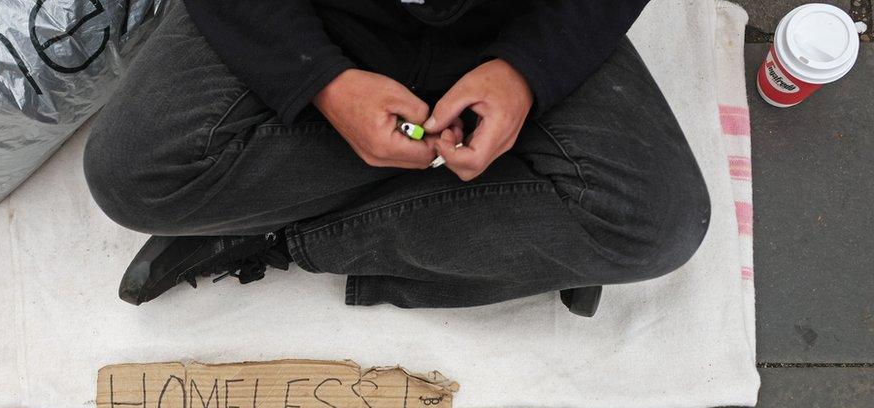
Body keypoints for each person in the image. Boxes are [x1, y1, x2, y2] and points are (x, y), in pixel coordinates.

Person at [83, 0, 710, 311]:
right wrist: (322, 83)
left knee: (658, 223)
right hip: (321, 16)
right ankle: (522, 215)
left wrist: (529, 72)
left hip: (511, 22)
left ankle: (277, 236)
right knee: (132, 175)